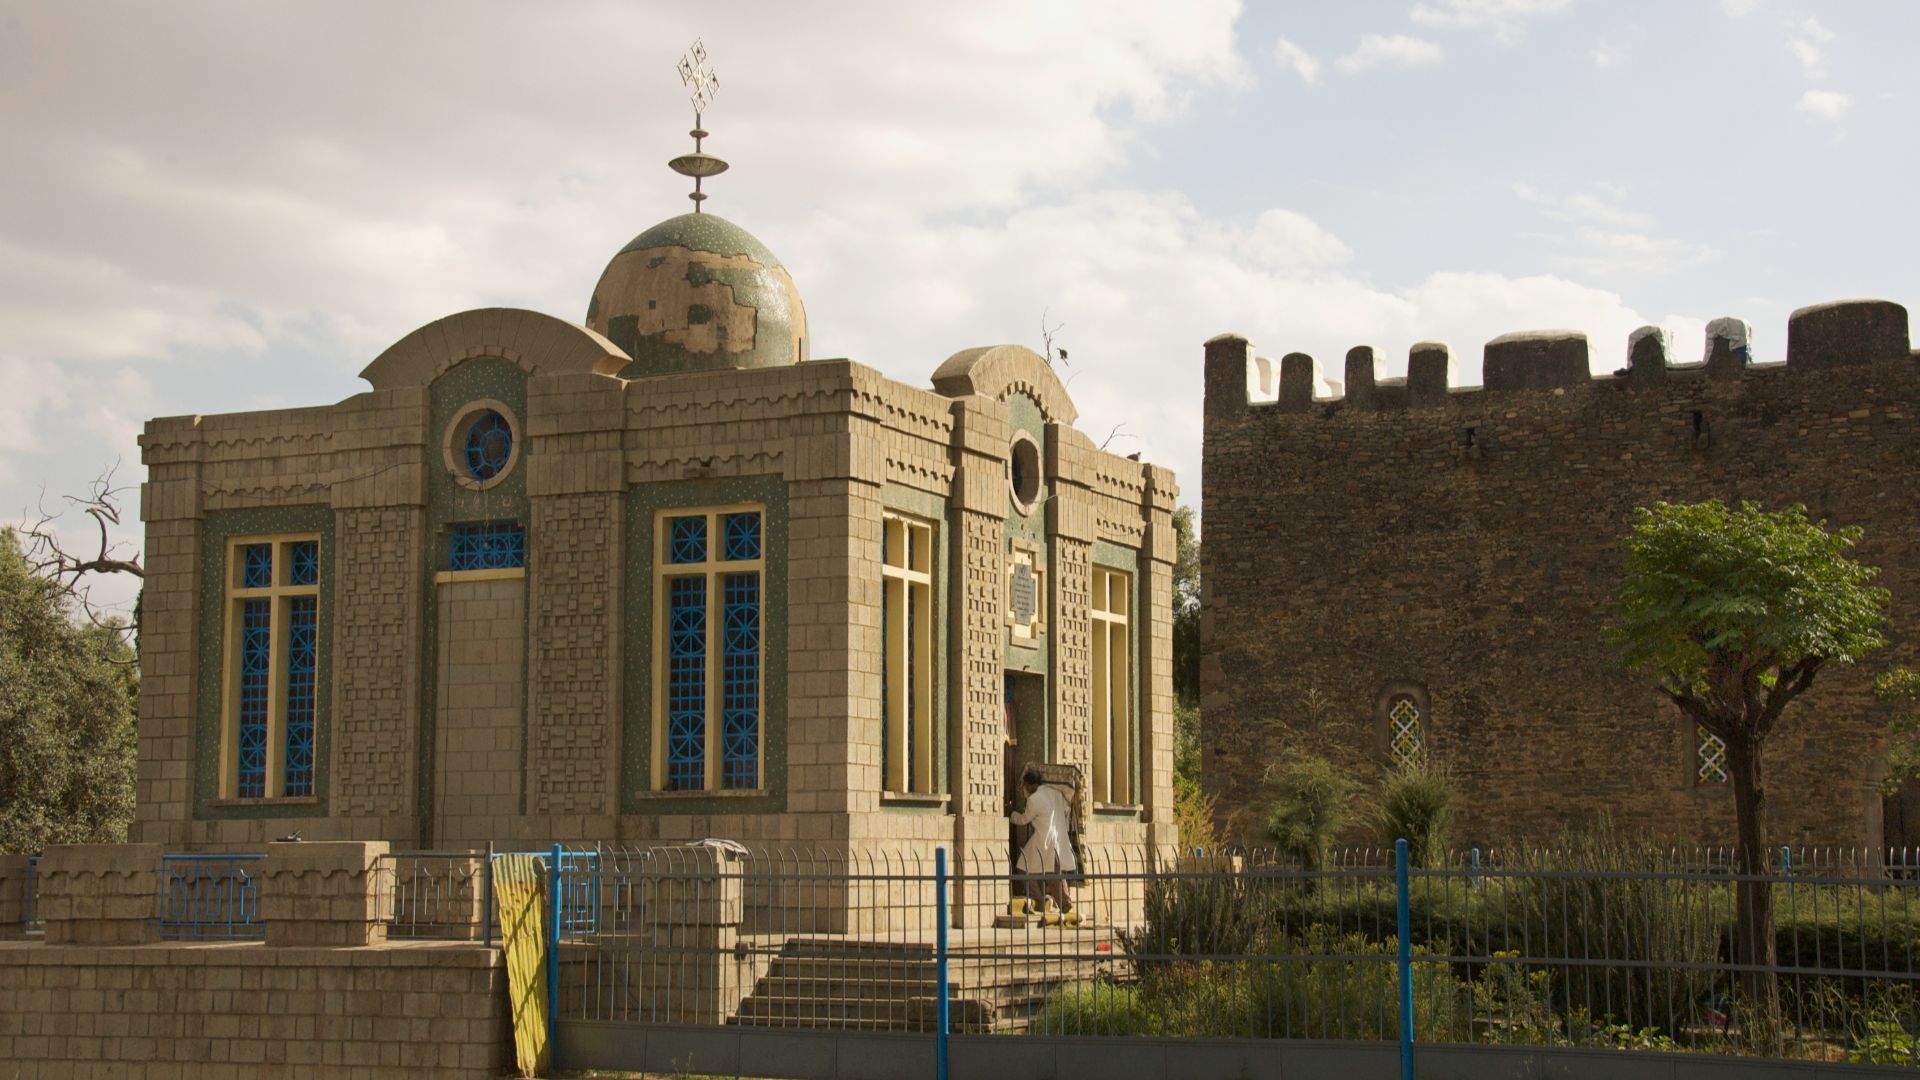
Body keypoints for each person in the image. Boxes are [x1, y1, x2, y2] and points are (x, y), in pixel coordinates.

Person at [1009, 765, 1075, 917]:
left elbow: (1024, 819)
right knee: (1056, 875)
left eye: (1026, 785)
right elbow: (1066, 809)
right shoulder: (1056, 793)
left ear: (1032, 784)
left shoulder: (1034, 799)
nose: (1025, 789)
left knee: (1023, 868)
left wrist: (1011, 814)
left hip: (1043, 840)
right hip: (1059, 838)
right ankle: (1066, 904)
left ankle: (1039, 899)